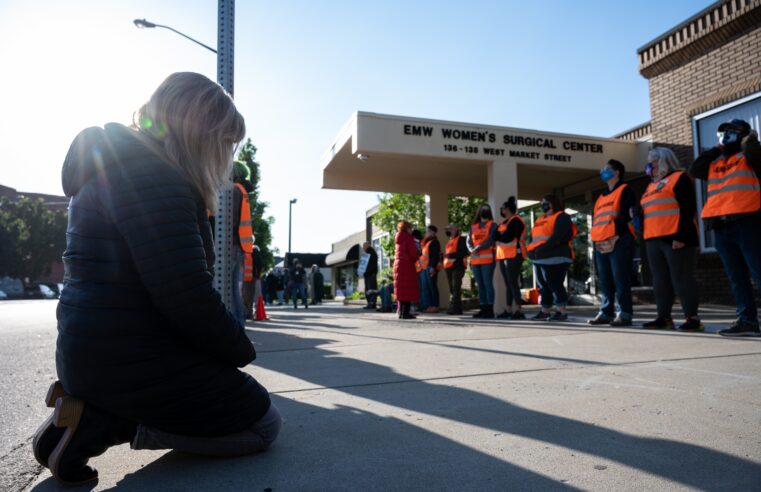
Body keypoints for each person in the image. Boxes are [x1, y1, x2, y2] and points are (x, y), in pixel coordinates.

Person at [34, 73, 280, 485]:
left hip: (98, 353)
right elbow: (186, 297)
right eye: (223, 142)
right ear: (199, 132)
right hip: (122, 359)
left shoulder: (121, 166)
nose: (225, 155)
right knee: (262, 423)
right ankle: (103, 424)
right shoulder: (154, 178)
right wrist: (239, 350)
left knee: (237, 396)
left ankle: (88, 415)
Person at [689, 119, 761, 337]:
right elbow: (695, 169)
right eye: (723, 132)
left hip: (748, 222)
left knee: (759, 272)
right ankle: (747, 320)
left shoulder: (749, 155)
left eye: (731, 131)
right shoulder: (714, 162)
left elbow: (758, 159)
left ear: (742, 135)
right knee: (736, 277)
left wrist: (751, 142)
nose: (725, 135)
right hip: (721, 225)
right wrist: (715, 149)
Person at [640, 147, 703, 332]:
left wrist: (681, 236)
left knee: (682, 279)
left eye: (651, 160)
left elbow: (687, 208)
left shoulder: (679, 178)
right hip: (653, 238)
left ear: (662, 160)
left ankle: (693, 318)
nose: (649, 164)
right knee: (660, 281)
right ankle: (664, 318)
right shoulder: (651, 185)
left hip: (675, 237)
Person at [588, 159, 637, 327]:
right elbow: (597, 221)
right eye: (602, 169)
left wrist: (614, 235)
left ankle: (624, 313)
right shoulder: (601, 197)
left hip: (619, 240)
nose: (603, 171)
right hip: (602, 242)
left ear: (617, 172)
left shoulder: (625, 190)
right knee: (605, 280)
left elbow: (626, 216)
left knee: (620, 279)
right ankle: (606, 312)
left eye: (607, 169)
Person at [527, 194, 576, 321]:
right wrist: (531, 250)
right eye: (542, 202)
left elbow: (558, 237)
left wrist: (543, 249)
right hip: (540, 258)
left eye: (546, 202)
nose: (543, 205)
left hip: (557, 256)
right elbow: (533, 238)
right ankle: (545, 311)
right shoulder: (539, 219)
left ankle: (561, 311)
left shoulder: (562, 217)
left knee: (554, 283)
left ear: (553, 203)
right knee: (543, 285)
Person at [494, 197, 527, 320]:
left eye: (502, 208)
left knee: (513, 282)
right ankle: (508, 310)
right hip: (503, 256)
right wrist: (499, 235)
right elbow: (495, 235)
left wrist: (499, 235)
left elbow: (507, 237)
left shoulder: (516, 221)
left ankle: (518, 310)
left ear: (507, 209)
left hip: (514, 255)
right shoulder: (504, 223)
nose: (501, 210)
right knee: (508, 283)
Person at [231, 162, 255, 326]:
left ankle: (237, 325)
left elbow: (228, 220)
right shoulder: (241, 190)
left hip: (231, 245)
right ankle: (239, 324)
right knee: (233, 287)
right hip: (238, 245)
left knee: (229, 288)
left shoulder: (233, 190)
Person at [467, 204, 498, 318]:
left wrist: (478, 248)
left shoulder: (493, 225)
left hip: (488, 259)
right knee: (480, 285)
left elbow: (490, 240)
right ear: (479, 212)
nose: (485, 211)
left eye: (487, 210)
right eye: (483, 210)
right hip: (475, 260)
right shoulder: (473, 226)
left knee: (487, 284)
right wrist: (471, 249)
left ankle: (490, 310)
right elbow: (468, 240)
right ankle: (483, 309)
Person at [394, 220, 421, 319]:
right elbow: (413, 253)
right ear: (407, 228)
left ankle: (401, 312)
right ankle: (405, 313)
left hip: (398, 265)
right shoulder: (408, 238)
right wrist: (418, 253)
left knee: (402, 289)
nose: (412, 230)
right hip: (407, 265)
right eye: (411, 228)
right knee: (408, 288)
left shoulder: (398, 238)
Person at [443, 223, 469, 315]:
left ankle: (455, 309)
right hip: (448, 267)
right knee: (452, 289)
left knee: (456, 287)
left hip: (458, 266)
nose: (448, 231)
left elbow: (463, 252)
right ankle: (457, 308)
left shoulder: (461, 239)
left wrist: (450, 255)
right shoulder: (450, 240)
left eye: (450, 229)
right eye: (447, 229)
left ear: (456, 229)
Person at [419, 225, 442, 313]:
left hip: (430, 268)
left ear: (433, 232)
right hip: (425, 269)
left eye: (428, 231)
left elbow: (434, 256)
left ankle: (435, 306)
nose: (426, 233)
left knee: (432, 287)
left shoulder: (434, 242)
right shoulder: (427, 242)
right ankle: (428, 306)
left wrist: (432, 267)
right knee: (427, 288)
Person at [362, 242, 379, 310]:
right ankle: (372, 303)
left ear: (367, 246)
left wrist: (364, 271)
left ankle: (371, 303)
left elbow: (367, 265)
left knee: (370, 289)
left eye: (364, 246)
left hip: (370, 274)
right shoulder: (372, 252)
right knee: (372, 289)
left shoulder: (368, 253)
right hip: (371, 274)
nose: (363, 248)